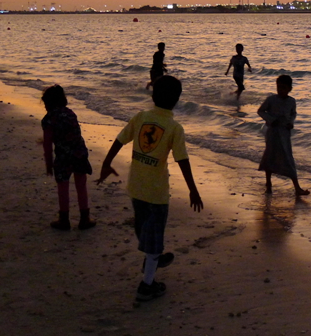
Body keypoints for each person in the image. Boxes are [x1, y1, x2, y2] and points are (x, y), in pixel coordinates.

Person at [96, 75, 204, 302]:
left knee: (143, 226)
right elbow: (182, 160)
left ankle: (153, 256)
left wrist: (107, 163)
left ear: (153, 95)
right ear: (177, 100)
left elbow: (119, 140)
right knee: (153, 237)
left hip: (136, 187)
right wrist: (192, 189)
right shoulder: (174, 127)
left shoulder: (141, 117)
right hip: (156, 193)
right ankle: (147, 285)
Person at [41, 85, 96, 230]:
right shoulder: (71, 114)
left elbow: (47, 145)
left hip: (63, 157)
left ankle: (64, 219)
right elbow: (75, 135)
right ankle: (84, 218)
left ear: (48, 103)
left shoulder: (48, 119)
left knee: (63, 187)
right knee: (81, 186)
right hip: (79, 153)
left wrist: (48, 164)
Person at [257, 75, 309, 196]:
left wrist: (291, 123)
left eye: (283, 88)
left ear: (290, 88)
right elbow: (260, 111)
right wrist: (270, 120)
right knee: (270, 156)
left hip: (284, 133)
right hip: (272, 132)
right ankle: (268, 184)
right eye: (279, 87)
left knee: (288, 157)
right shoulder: (271, 99)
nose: (280, 90)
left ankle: (297, 188)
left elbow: (293, 114)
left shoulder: (291, 101)